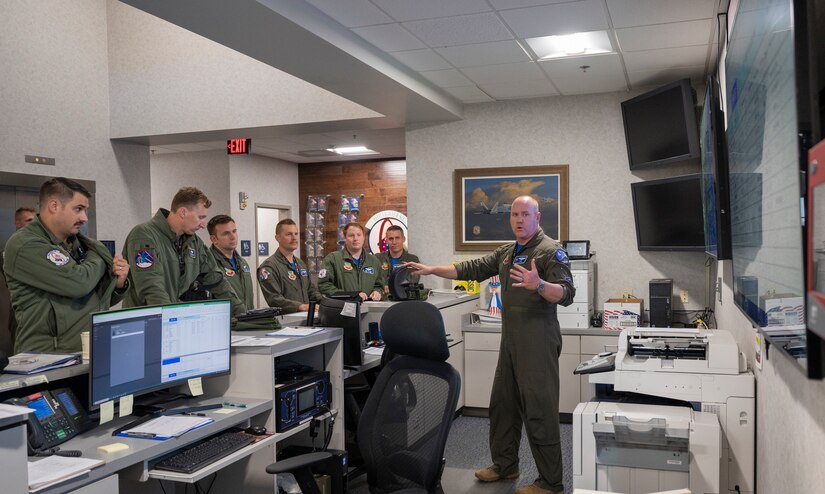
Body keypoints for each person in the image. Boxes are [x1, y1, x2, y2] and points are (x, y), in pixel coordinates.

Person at [406, 196, 575, 494]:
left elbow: (567, 293)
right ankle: (506, 466)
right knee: (502, 406)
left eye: (525, 214)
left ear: (538, 217)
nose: (519, 219)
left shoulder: (551, 251)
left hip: (538, 340)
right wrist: (433, 269)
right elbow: (470, 269)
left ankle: (551, 482)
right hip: (510, 340)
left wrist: (539, 284)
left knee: (539, 411)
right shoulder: (507, 252)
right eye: (514, 214)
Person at [3, 178, 130, 353]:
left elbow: (95, 299)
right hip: (47, 359)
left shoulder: (79, 244)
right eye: (78, 209)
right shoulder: (25, 244)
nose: (84, 218)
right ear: (54, 206)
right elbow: (78, 283)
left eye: (85, 210)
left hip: (85, 351)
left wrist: (118, 285)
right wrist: (99, 255)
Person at [122, 187, 246, 316]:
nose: (203, 225)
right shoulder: (144, 235)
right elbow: (151, 287)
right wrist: (171, 319)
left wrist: (243, 314)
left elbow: (216, 279)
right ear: (183, 212)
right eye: (200, 217)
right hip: (147, 321)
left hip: (173, 319)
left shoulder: (194, 242)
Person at [1, 207, 51, 354]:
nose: (33, 223)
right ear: (17, 223)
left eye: (34, 220)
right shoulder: (10, 252)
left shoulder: (41, 247)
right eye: (28, 220)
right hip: (18, 312)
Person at [258, 218, 322, 314]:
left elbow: (311, 292)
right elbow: (274, 299)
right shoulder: (268, 267)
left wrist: (327, 303)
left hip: (307, 319)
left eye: (296, 234)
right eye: (289, 234)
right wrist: (300, 306)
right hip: (286, 322)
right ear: (277, 238)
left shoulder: (301, 264)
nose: (294, 238)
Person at [318, 222, 383, 302]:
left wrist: (377, 292)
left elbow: (379, 285)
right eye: (351, 235)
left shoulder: (374, 261)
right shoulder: (333, 259)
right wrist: (351, 295)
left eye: (359, 235)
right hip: (341, 309)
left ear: (363, 237)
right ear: (345, 238)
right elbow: (324, 285)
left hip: (367, 310)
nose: (355, 238)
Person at [207, 214, 254, 310]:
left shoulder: (242, 262)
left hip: (248, 320)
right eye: (226, 233)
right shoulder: (208, 263)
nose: (233, 237)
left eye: (234, 231)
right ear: (214, 239)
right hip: (226, 322)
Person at [375, 225, 420, 296]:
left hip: (403, 299)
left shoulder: (412, 259)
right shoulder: (378, 258)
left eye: (397, 238)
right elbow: (373, 279)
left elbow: (413, 281)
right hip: (381, 298)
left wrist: (391, 287)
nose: (394, 242)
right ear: (386, 241)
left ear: (403, 239)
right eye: (391, 239)